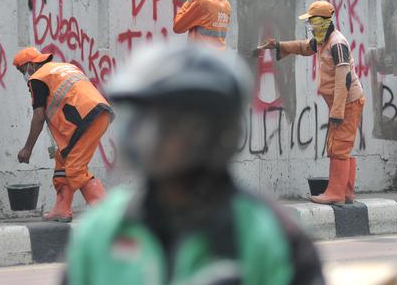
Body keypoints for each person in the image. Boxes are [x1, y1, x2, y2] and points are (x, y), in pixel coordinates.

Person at [66, 45, 324, 285]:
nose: (148, 136)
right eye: (144, 120)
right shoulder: (102, 229)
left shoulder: (269, 237)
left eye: (168, 124)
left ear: (212, 133)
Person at [254, 1, 365, 205]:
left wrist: (338, 111)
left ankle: (336, 194)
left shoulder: (337, 43)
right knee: (340, 145)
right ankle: (346, 192)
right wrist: (278, 45)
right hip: (340, 102)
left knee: (338, 147)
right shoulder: (324, 40)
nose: (311, 28)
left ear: (322, 22)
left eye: (312, 23)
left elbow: (344, 79)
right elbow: (304, 47)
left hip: (346, 102)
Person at [12, 47, 113, 222]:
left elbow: (38, 116)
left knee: (75, 169)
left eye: (22, 70)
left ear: (30, 65)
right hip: (96, 114)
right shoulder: (63, 68)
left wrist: (27, 149)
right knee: (62, 159)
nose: (24, 76)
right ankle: (61, 208)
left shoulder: (38, 78)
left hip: (85, 120)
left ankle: (109, 216)